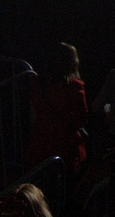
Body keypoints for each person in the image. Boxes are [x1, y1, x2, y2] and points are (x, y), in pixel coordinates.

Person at [27, 43, 89, 178]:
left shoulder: (37, 83)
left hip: (42, 139)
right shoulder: (74, 85)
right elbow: (82, 117)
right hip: (66, 142)